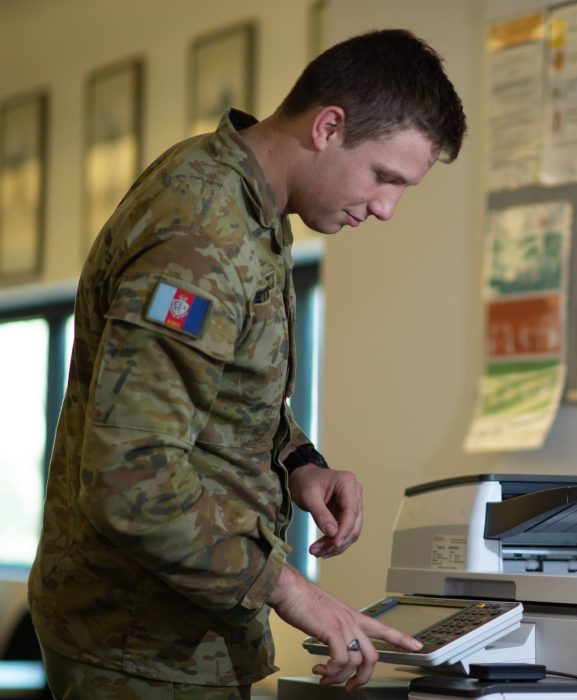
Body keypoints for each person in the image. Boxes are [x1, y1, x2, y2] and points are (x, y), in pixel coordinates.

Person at [28, 27, 467, 699]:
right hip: (138, 644)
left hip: (181, 635)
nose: (385, 208)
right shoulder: (202, 232)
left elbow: (220, 393)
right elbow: (128, 473)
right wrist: (287, 588)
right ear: (328, 127)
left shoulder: (249, 208)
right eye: (384, 177)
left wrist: (300, 462)